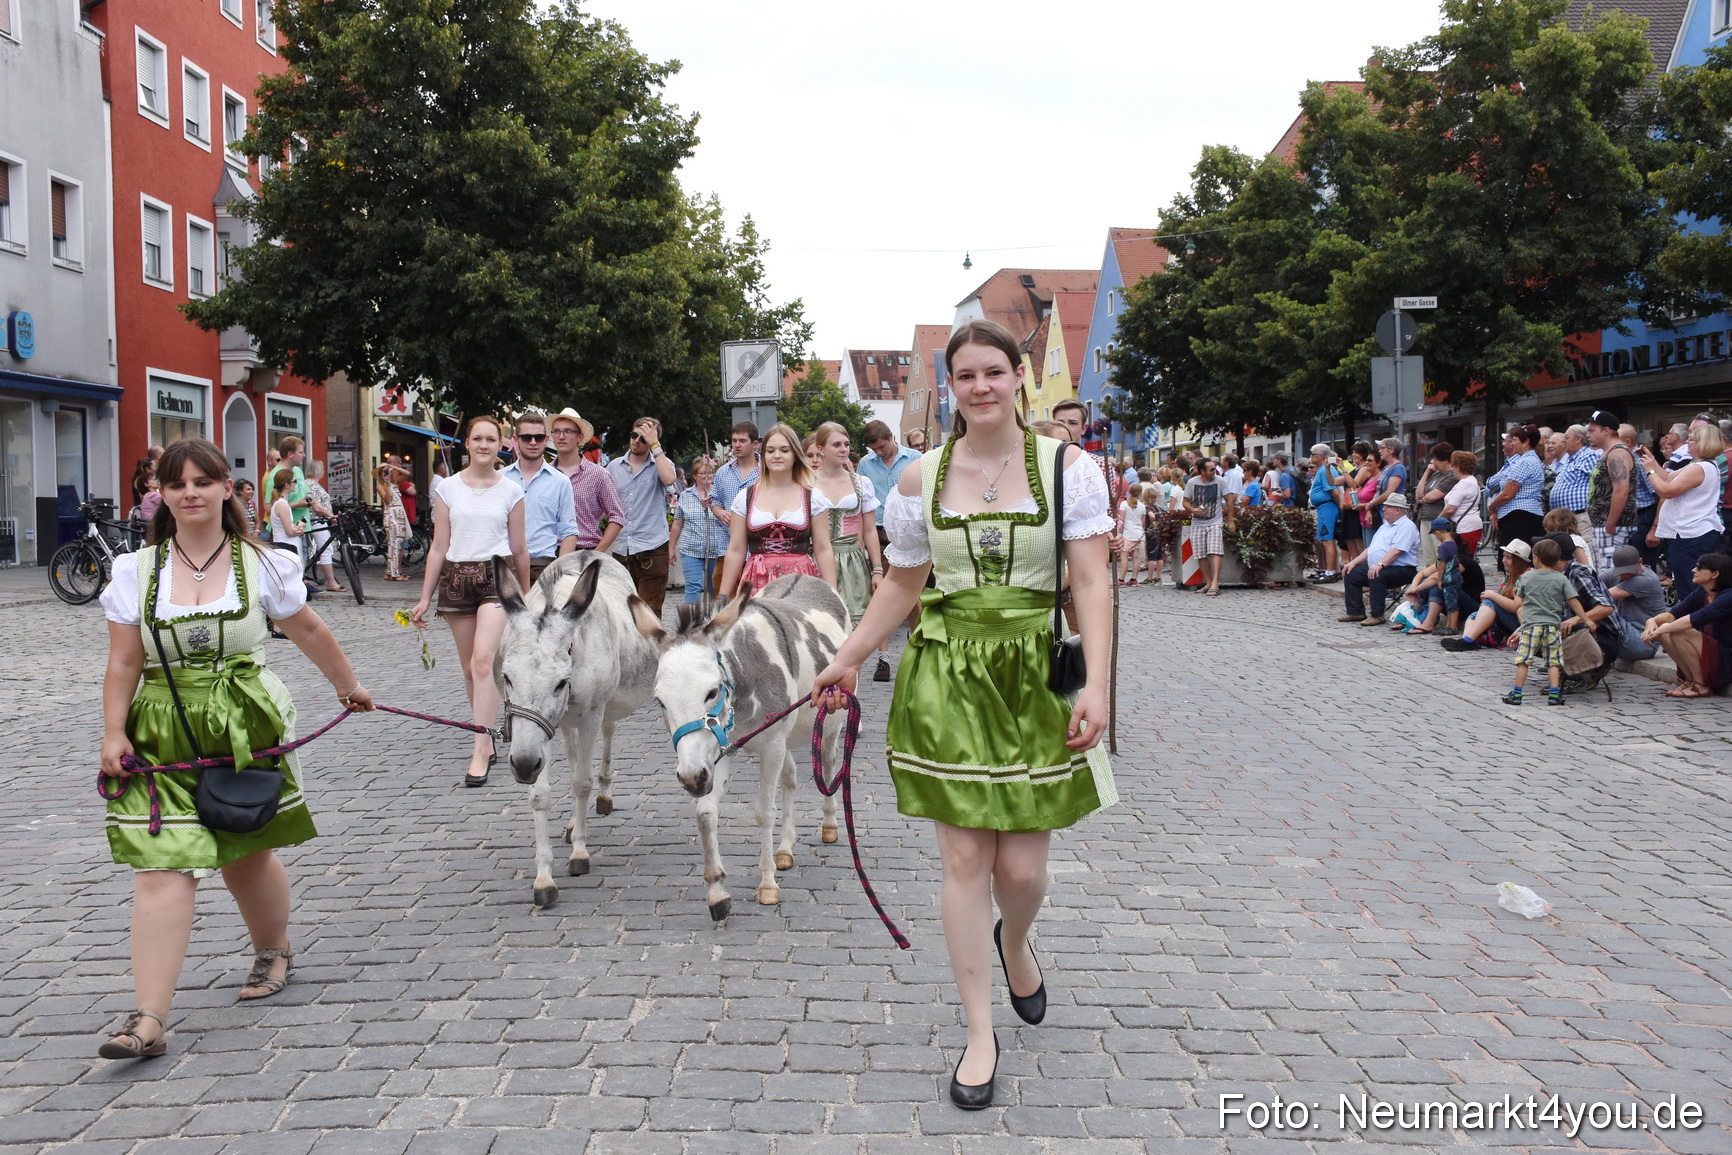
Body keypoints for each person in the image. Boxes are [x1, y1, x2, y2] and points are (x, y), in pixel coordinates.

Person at [810, 319, 1115, 1112]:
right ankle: (980, 1032)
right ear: (952, 386)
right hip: (946, 674)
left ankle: (1016, 939)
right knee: (963, 864)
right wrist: (847, 656)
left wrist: (1100, 685)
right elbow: (901, 584)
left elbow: (1090, 584)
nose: (980, 385)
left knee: (1021, 870)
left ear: (1019, 377)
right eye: (965, 375)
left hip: (1030, 674)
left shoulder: (1069, 470)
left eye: (993, 371)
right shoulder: (920, 479)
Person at [96, 439, 373, 1060]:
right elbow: (122, 662)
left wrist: (349, 687)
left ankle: (273, 948)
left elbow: (309, 628)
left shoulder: (266, 564)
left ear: (227, 488)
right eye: (176, 483)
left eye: (202, 480)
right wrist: (113, 733)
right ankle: (148, 1019)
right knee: (162, 863)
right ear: (161, 495)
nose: (189, 492)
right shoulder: (134, 572)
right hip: (159, 729)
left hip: (244, 721)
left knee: (244, 851)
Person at [410, 417, 531, 788]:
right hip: (457, 578)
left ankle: (481, 747)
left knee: (484, 661)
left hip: (497, 577)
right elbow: (438, 546)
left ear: (501, 445)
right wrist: (424, 596)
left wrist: (526, 594)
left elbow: (520, 547)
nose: (483, 445)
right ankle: (487, 730)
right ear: (467, 443)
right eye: (477, 438)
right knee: (468, 668)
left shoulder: (512, 490)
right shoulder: (447, 489)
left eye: (490, 439)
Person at [717, 423, 837, 596]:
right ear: (763, 455)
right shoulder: (745, 497)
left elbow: (823, 548)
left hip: (800, 582)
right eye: (771, 450)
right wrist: (723, 596)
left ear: (795, 455)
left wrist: (831, 595)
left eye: (784, 450)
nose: (777, 456)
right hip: (757, 581)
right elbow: (736, 549)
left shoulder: (813, 498)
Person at [813, 422, 886, 634]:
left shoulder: (861, 483)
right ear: (820, 449)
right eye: (836, 444)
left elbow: (870, 530)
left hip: (852, 560)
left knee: (854, 632)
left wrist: (877, 569)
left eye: (846, 444)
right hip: (816, 559)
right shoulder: (806, 483)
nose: (844, 449)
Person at [1638, 422, 1726, 594]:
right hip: (1691, 533)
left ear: (1703, 443)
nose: (1687, 443)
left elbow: (1667, 490)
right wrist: (1653, 461)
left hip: (1690, 535)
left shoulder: (1700, 467)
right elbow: (1668, 477)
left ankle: (1695, 620)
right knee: (1688, 585)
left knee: (1689, 587)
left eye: (1692, 440)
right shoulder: (1699, 464)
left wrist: (1650, 471)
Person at [607, 417, 679, 616]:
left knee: (648, 613)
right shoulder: (613, 466)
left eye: (643, 438)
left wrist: (655, 445)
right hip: (622, 549)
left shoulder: (660, 463)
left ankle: (650, 648)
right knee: (622, 613)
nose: (637, 441)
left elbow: (670, 479)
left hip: (652, 549)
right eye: (634, 435)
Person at [1502, 536, 1584, 706]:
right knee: (1553, 662)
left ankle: (1516, 694)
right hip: (1553, 627)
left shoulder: (1527, 577)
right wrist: (1586, 619)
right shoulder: (1561, 578)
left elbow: (1521, 600)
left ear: (1536, 558)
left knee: (1523, 660)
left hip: (1531, 626)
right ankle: (1554, 695)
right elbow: (1573, 601)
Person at [500, 409, 578, 583]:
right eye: (527, 437)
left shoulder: (561, 482)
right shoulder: (500, 479)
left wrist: (561, 571)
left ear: (546, 440)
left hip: (543, 567)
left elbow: (569, 531)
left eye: (539, 437)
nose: (533, 442)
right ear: (516, 440)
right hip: (504, 565)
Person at [1642, 553, 1732, 697]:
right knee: (1666, 632)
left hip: (1726, 657)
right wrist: (1651, 622)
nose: (1693, 570)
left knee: (1679, 632)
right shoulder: (1702, 593)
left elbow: (1695, 619)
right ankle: (1690, 680)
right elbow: (1673, 614)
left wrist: (1661, 629)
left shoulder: (1728, 596)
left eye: (1699, 567)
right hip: (1712, 651)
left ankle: (1701, 685)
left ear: (1715, 574)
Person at [1339, 492, 1420, 627]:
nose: (1383, 509)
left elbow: (1397, 550)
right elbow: (1370, 549)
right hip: (1381, 565)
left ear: (1398, 510)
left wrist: (1380, 564)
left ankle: (1377, 615)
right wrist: (1353, 562)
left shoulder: (1406, 526)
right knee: (1351, 573)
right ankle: (1355, 611)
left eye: (1387, 507)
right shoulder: (1385, 526)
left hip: (1402, 569)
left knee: (1377, 574)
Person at [551, 408, 625, 555]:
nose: (561, 436)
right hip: (548, 552)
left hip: (584, 550)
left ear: (580, 437)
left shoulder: (598, 475)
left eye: (567, 431)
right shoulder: (545, 474)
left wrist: (597, 553)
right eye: (556, 431)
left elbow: (617, 516)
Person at [671, 455, 729, 603]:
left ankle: (714, 620)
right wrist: (671, 548)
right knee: (693, 586)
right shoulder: (685, 496)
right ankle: (691, 620)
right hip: (691, 549)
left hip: (716, 549)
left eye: (710, 472)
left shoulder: (720, 495)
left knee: (715, 588)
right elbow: (677, 523)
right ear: (695, 476)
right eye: (703, 473)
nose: (707, 476)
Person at [1486, 424, 1546, 563]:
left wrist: (1492, 506)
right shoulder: (1526, 460)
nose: (1513, 443)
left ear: (1526, 442)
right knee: (1514, 560)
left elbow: (1507, 494)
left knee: (1516, 560)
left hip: (1520, 517)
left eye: (1516, 440)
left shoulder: (1525, 462)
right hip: (1521, 516)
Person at [1585, 411, 1635, 568]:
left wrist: (1610, 524)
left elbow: (1621, 490)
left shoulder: (1617, 453)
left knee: (1610, 576)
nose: (1587, 435)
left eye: (1592, 430)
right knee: (1603, 573)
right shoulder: (1609, 453)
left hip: (1613, 527)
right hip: (1603, 525)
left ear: (1606, 431)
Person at [1599, 544, 1665, 661]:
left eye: (1629, 571)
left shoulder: (1647, 579)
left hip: (1644, 642)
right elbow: (1592, 587)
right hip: (1624, 633)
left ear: (1640, 562)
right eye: (1621, 572)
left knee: (1603, 612)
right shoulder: (1613, 573)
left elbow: (1601, 596)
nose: (1625, 575)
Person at [1183, 456, 1226, 596]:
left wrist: (1230, 520)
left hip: (1215, 521)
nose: (1215, 471)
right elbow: (1185, 502)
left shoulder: (1220, 481)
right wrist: (1192, 510)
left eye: (1215, 468)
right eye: (1212, 469)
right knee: (1201, 554)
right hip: (1198, 522)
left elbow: (1229, 499)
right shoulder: (1192, 483)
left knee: (1215, 551)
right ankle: (1208, 582)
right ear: (1202, 471)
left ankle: (1215, 583)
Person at [1548, 424, 1600, 539]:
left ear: (1578, 439)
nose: (1564, 441)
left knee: (1583, 551)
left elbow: (1600, 483)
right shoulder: (1570, 459)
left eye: (1566, 437)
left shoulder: (1589, 456)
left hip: (1580, 517)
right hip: (1564, 519)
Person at [1412, 443, 1456, 572]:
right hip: (1425, 518)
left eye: (1436, 459)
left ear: (1445, 460)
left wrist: (1423, 499)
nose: (1433, 462)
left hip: (1438, 519)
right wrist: (1427, 472)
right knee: (1428, 556)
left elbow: (1433, 496)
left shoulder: (1452, 476)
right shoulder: (1435, 475)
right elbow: (1419, 494)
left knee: (1439, 554)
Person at [712, 421, 763, 529]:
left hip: (757, 539)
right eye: (734, 441)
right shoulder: (722, 472)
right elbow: (715, 501)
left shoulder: (766, 471)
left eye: (742, 441)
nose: (737, 445)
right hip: (728, 539)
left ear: (755, 444)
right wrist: (721, 513)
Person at [303, 460, 343, 594]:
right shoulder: (312, 485)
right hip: (317, 521)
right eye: (323, 469)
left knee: (311, 550)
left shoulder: (307, 484)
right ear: (319, 471)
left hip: (312, 520)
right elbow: (317, 507)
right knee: (326, 550)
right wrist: (331, 515)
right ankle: (331, 582)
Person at [1307, 445, 1344, 581]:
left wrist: (1338, 506)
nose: (1311, 456)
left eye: (1313, 454)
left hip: (1327, 507)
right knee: (1325, 540)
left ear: (1322, 456)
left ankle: (1330, 572)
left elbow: (1334, 491)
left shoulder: (1324, 470)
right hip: (1323, 507)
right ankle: (1328, 570)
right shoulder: (1323, 470)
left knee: (1327, 540)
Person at [1440, 450, 1484, 556]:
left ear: (1459, 467)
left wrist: (1437, 521)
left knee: (1460, 560)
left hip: (1463, 527)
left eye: (1453, 465)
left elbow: (1451, 508)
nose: (1452, 468)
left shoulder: (1465, 483)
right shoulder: (1472, 481)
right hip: (1470, 525)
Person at [374, 463, 413, 581]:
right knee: (393, 545)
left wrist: (393, 467)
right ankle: (394, 574)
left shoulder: (395, 484)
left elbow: (407, 474)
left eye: (387, 472)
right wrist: (386, 483)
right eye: (383, 472)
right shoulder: (380, 485)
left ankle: (389, 572)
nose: (386, 474)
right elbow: (387, 499)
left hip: (399, 517)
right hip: (391, 517)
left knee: (397, 544)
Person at [1119, 483, 1147, 585]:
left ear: (1129, 492)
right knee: (1136, 558)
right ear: (1140, 493)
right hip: (1138, 534)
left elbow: (1121, 520)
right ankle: (1134, 579)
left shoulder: (1124, 504)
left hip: (1128, 534)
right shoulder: (1142, 506)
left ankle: (1121, 579)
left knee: (1124, 557)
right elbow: (1143, 522)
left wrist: (1118, 532)